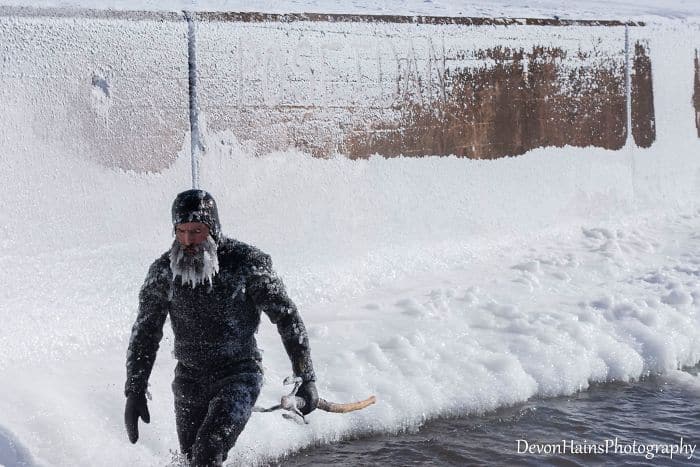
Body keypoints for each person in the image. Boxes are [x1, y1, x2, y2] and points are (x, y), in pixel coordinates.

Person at [124, 189, 318, 466]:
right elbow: (145, 331)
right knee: (192, 459)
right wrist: (135, 388)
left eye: (198, 231)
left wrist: (306, 377)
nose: (189, 240)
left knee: (209, 448)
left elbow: (286, 317)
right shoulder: (163, 272)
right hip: (189, 381)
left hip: (238, 375)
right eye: (182, 231)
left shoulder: (246, 263)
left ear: (213, 228)